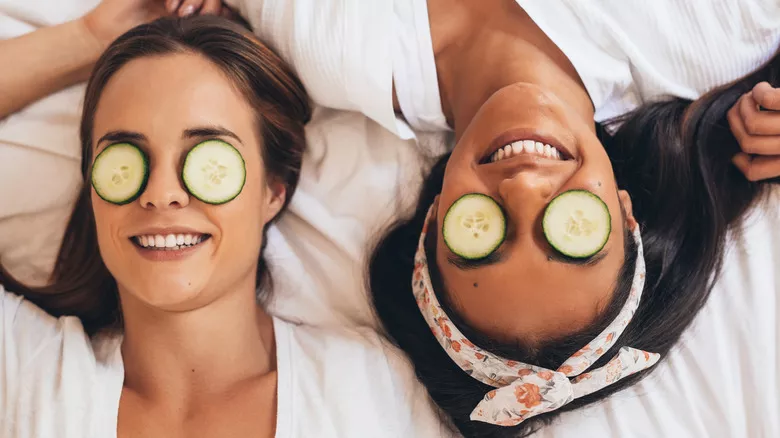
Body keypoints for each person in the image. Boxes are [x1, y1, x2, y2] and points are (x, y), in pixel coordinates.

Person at [172, 0, 780, 435]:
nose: (522, 190)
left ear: (436, 222)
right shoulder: (716, 28)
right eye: (572, 232)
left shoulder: (332, 47)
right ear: (625, 211)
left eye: (480, 233)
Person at [0, 16, 448, 438]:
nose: (159, 193)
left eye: (208, 158)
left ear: (272, 190)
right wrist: (88, 37)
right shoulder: (24, 371)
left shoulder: (370, 389)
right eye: (125, 159)